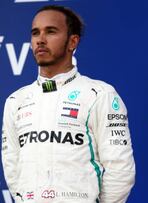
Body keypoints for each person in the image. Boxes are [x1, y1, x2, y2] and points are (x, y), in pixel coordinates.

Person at [1, 5, 135, 203]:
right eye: (35, 33)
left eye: (51, 31)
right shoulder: (16, 101)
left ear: (73, 41)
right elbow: (12, 168)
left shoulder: (100, 94)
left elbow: (120, 168)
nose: (41, 39)